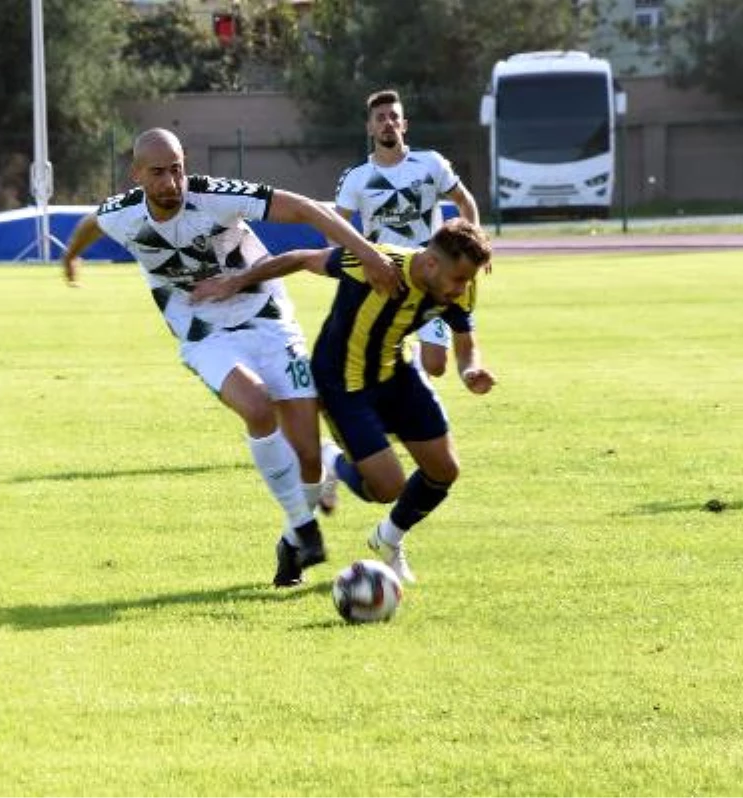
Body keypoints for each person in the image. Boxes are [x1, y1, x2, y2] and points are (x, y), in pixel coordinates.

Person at [60, 128, 400, 588]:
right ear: (136, 175)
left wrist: (367, 253)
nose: (171, 182)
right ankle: (303, 527)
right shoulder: (122, 215)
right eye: (158, 173)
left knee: (308, 457)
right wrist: (70, 259)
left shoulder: (213, 196)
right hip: (204, 332)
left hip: (269, 318)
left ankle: (290, 539)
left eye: (177, 169)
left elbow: (304, 208)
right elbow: (88, 225)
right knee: (258, 407)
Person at [190, 218, 495, 585]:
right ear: (431, 263)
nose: (463, 288)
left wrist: (471, 371)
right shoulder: (375, 265)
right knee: (387, 488)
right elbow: (303, 258)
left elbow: (465, 345)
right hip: (343, 387)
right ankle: (333, 460)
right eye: (459, 278)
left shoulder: (459, 288)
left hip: (396, 375)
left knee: (444, 470)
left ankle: (388, 540)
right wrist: (237, 281)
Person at [334, 88, 482, 378]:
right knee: (374, 360)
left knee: (436, 365)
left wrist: (475, 244)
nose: (387, 122)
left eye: (394, 116)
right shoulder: (356, 177)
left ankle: (414, 360)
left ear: (404, 124)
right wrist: (357, 263)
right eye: (380, 118)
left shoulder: (431, 163)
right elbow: (335, 225)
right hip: (385, 275)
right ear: (370, 127)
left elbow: (465, 202)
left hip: (431, 274)